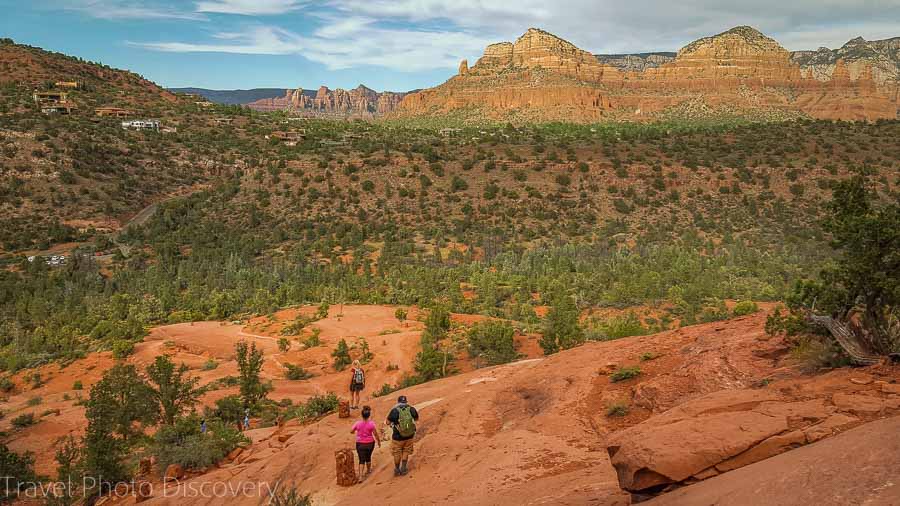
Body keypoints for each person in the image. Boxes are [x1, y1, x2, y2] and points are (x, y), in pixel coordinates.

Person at [386, 395, 418, 476]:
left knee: (397, 453)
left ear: (398, 402)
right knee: (406, 451)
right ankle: (403, 468)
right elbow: (416, 418)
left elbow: (387, 422)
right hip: (409, 435)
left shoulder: (394, 411)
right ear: (406, 402)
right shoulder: (411, 409)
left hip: (398, 437)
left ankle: (397, 469)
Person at [350, 405, 381, 480]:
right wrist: (379, 441)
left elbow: (351, 431)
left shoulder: (357, 423)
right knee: (368, 456)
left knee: (361, 459)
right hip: (370, 443)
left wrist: (355, 431)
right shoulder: (371, 424)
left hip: (360, 443)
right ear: (369, 415)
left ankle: (360, 476)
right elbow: (375, 434)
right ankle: (368, 470)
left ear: (362, 415)